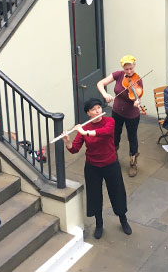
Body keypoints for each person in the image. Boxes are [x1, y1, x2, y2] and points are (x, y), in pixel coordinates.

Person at [61, 98, 131, 239]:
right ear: (88, 113)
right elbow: (74, 149)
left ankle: (123, 220)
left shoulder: (109, 122)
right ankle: (99, 224)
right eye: (93, 109)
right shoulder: (84, 128)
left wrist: (84, 132)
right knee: (94, 195)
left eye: (99, 108)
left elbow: (104, 132)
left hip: (111, 163)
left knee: (117, 192)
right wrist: (68, 141)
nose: (98, 111)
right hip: (93, 166)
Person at [96, 55, 143, 177]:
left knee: (132, 137)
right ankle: (113, 157)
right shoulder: (118, 75)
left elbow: (137, 96)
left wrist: (137, 102)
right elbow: (100, 83)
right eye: (127, 69)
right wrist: (105, 94)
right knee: (115, 134)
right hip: (117, 112)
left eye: (131, 68)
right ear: (123, 68)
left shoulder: (138, 79)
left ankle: (133, 162)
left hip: (132, 115)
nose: (129, 72)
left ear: (134, 66)